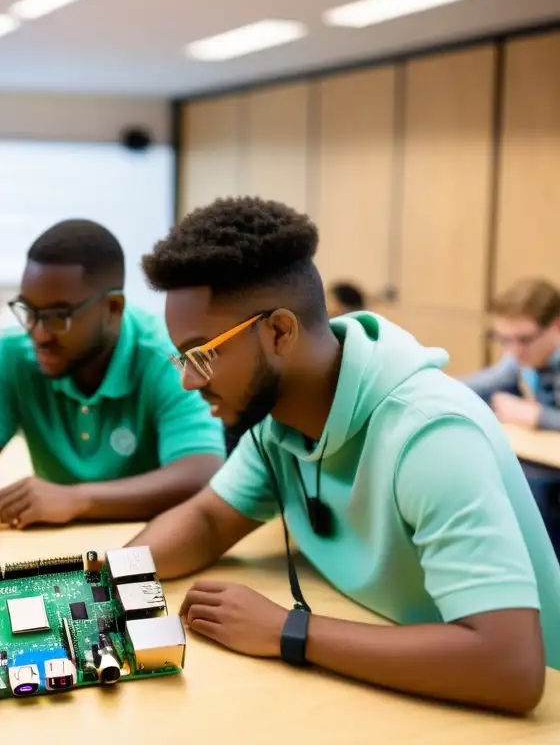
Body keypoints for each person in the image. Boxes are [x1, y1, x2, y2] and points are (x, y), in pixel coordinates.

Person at [130, 196, 560, 714]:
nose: (187, 379)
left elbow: (510, 667)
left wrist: (290, 631)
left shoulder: (430, 433)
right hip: (391, 679)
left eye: (203, 354)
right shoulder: (279, 424)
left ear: (280, 331)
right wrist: (108, 579)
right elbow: (206, 520)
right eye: (182, 356)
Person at [0, 219, 225, 529]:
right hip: (52, 555)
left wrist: (77, 499)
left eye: (59, 316)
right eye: (29, 311)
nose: (39, 333)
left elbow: (200, 472)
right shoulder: (13, 352)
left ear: (113, 307)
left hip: (150, 553)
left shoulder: (164, 355)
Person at [464, 278, 560, 555]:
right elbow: (478, 385)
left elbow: (537, 417)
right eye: (503, 339)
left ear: (556, 326)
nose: (513, 350)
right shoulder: (520, 357)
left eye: (524, 339)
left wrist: (538, 415)